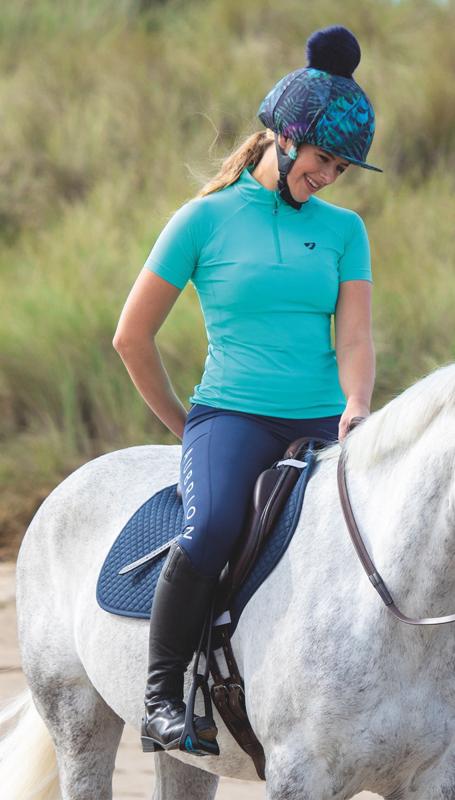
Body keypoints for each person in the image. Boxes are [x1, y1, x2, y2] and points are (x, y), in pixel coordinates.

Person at [114, 26, 380, 754]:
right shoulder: (202, 219)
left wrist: (358, 405)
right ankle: (160, 697)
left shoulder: (345, 230)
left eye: (342, 167)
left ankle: (445, 691)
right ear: (284, 140)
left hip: (326, 418)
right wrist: (185, 425)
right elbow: (131, 337)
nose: (331, 176)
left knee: (394, 522)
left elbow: (355, 340)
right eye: (324, 159)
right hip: (231, 416)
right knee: (209, 529)